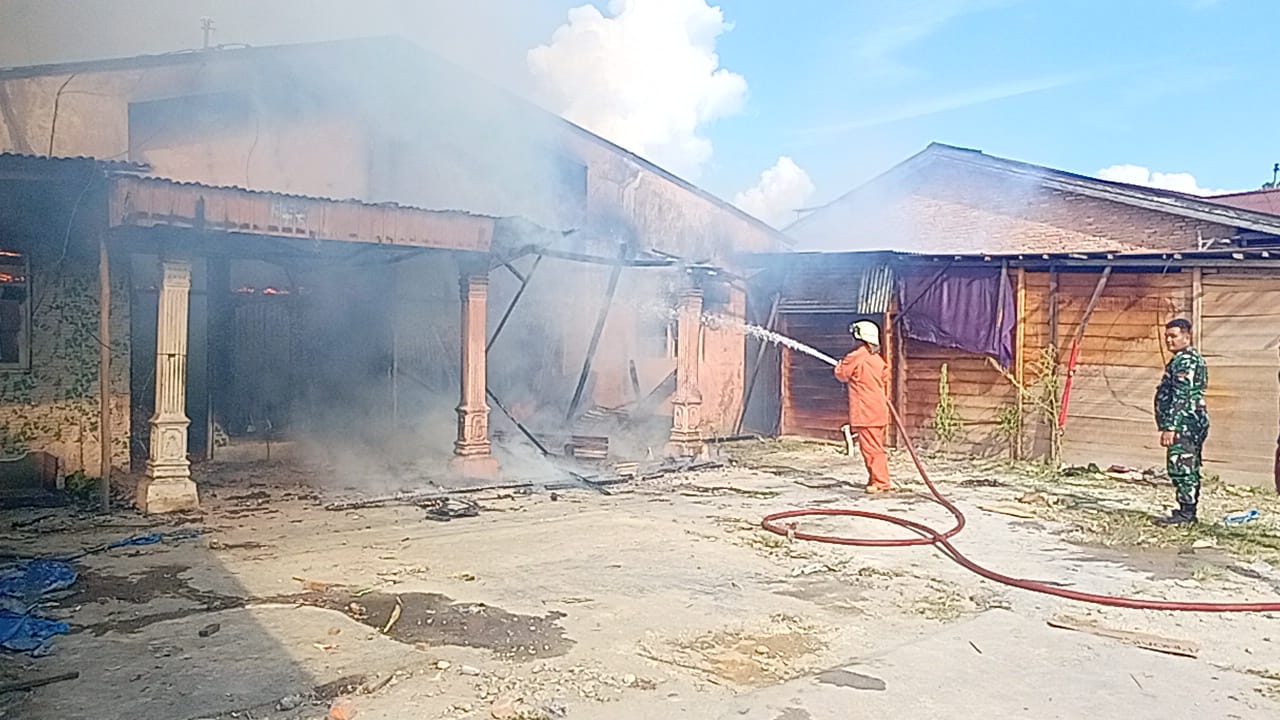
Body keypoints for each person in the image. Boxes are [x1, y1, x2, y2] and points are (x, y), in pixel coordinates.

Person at [1153, 318, 1210, 525]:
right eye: (1167, 336)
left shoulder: (1186, 361)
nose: (1169, 340)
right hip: (1188, 420)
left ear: (1187, 336)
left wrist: (1170, 426)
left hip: (1185, 421)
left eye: (1174, 336)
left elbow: (1181, 395)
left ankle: (1187, 514)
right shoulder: (1182, 359)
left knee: (1181, 465)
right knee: (1187, 464)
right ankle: (1187, 510)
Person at [834, 320, 892, 494]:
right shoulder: (877, 359)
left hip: (865, 411)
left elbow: (842, 374)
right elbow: (884, 377)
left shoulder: (857, 356)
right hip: (878, 409)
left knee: (871, 449)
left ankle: (881, 482)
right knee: (875, 446)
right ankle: (876, 478)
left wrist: (839, 365)